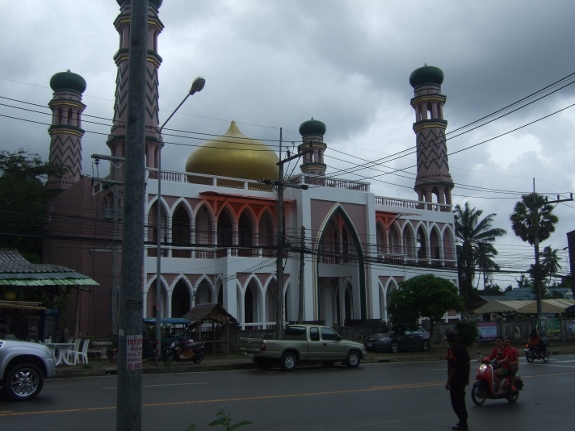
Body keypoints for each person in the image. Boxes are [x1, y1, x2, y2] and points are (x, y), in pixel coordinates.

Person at [445, 329, 470, 431]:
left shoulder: (452, 350)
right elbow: (467, 363)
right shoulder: (462, 348)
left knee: (456, 402)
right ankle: (463, 421)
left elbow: (452, 368)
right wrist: (467, 377)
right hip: (463, 378)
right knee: (461, 401)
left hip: (456, 380)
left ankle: (463, 422)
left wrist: (448, 381)